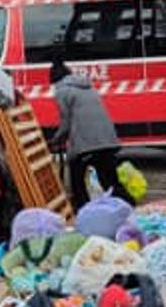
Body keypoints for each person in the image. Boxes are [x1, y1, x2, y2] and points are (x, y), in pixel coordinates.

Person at [48, 59, 125, 209]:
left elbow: (65, 124)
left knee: (77, 181)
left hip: (86, 145)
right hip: (108, 140)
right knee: (110, 181)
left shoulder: (61, 91)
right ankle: (127, 206)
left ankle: (82, 209)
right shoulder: (88, 87)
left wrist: (55, 140)